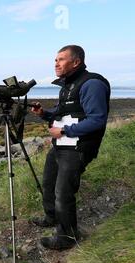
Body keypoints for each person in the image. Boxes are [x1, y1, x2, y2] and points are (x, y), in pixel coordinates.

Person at [30, 45, 111, 250]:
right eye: (55, 59)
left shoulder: (92, 84)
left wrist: (65, 131)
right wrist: (44, 114)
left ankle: (67, 237)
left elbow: (97, 120)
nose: (56, 63)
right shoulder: (68, 85)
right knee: (49, 182)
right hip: (62, 144)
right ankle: (51, 217)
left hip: (78, 146)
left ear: (76, 62)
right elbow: (64, 111)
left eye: (61, 59)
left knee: (63, 191)